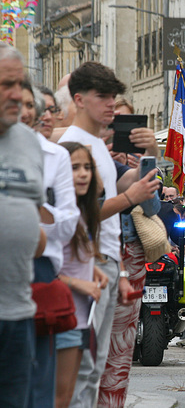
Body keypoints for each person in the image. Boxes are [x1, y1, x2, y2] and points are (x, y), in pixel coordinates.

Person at [58, 61, 159, 408]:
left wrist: (149, 153)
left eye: (113, 97)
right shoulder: (72, 145)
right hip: (88, 263)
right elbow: (80, 216)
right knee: (85, 366)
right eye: (102, 96)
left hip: (104, 261)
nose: (110, 104)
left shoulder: (95, 143)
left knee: (96, 364)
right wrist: (130, 199)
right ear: (79, 99)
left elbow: (126, 182)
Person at [22, 77, 81, 408]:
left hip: (41, 271)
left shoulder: (54, 156)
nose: (25, 111)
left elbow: (68, 222)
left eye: (31, 105)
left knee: (41, 374)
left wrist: (35, 207)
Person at [0, 42, 47, 408]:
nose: (17, 95)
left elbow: (32, 214)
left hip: (18, 312)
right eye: (5, 85)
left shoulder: (30, 143)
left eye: (20, 84)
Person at [56, 142, 107, 408]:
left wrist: (94, 270)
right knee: (60, 398)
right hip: (61, 318)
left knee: (75, 392)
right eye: (75, 167)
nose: (84, 174)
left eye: (88, 167)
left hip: (81, 318)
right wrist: (80, 284)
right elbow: (44, 269)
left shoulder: (83, 213)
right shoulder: (59, 214)